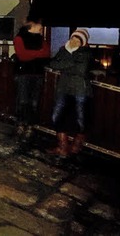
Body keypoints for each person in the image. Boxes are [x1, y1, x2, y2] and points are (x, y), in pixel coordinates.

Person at [47, 29, 92, 158]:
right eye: (73, 38)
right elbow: (53, 64)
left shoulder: (87, 52)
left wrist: (64, 64)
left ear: (83, 42)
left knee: (81, 119)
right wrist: (72, 63)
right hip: (64, 88)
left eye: (78, 40)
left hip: (80, 89)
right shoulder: (63, 49)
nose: (74, 41)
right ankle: (63, 146)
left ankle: (76, 147)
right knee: (56, 116)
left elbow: (82, 70)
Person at [12, 15, 50, 138]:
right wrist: (38, 54)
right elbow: (23, 55)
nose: (42, 27)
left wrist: (33, 54)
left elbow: (46, 53)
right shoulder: (19, 38)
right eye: (40, 24)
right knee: (22, 101)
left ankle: (30, 125)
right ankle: (20, 123)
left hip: (37, 74)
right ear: (32, 25)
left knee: (34, 102)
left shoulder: (41, 39)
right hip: (23, 74)